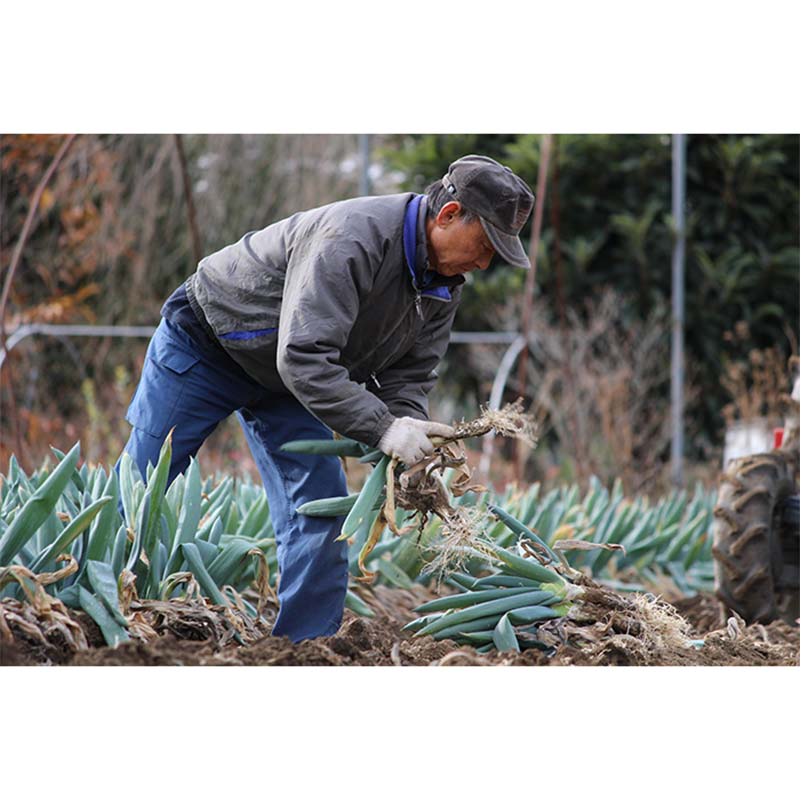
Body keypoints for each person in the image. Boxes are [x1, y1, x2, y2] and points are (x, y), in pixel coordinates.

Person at [119, 153, 535, 642]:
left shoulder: (443, 286)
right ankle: (96, 607)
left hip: (288, 382)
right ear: (447, 216)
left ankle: (305, 648)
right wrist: (382, 428)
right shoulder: (352, 238)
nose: (485, 262)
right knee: (143, 484)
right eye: (485, 245)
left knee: (320, 512)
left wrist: (411, 434)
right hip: (209, 341)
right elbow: (303, 357)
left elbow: (410, 374)